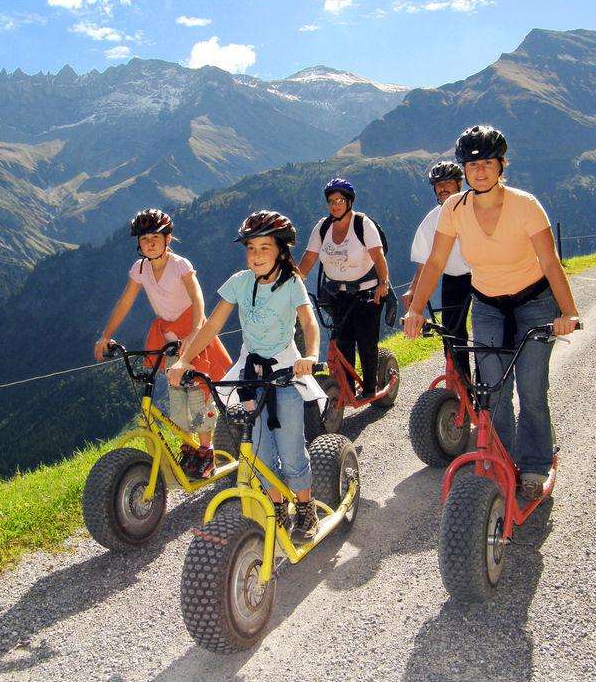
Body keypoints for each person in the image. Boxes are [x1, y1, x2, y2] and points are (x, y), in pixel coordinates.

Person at [402, 126, 581, 500]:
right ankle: (503, 459)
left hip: (534, 302)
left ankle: (534, 464)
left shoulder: (525, 205)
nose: (479, 171)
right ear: (464, 170)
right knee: (492, 390)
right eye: (472, 165)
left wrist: (568, 312)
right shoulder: (454, 209)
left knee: (531, 388)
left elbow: (550, 261)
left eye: (487, 163)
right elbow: (435, 262)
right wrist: (416, 309)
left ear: (501, 165)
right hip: (487, 305)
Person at [167, 211, 324, 538]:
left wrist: (310, 355)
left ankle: (305, 507)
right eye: (251, 248)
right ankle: (277, 505)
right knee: (260, 450)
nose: (256, 255)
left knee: (290, 450)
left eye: (264, 248)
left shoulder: (292, 283)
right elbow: (212, 325)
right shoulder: (240, 282)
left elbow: (309, 322)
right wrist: (184, 360)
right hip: (250, 377)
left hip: (286, 374)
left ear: (281, 250)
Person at [95, 208, 231, 479]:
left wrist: (195, 334)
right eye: (144, 239)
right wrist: (106, 335)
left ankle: (207, 452)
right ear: (139, 243)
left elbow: (198, 300)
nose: (150, 243)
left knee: (199, 394)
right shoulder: (140, 268)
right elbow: (125, 301)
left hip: (193, 335)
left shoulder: (180, 265)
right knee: (177, 397)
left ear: (167, 239)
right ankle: (189, 447)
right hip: (168, 340)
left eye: (155, 237)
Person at [298, 178, 391, 399]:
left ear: (349, 202)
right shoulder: (323, 227)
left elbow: (378, 256)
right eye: (331, 201)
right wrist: (293, 282)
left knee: (366, 341)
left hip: (367, 293)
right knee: (343, 341)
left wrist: (383, 283)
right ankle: (347, 388)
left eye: (340, 200)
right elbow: (309, 258)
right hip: (337, 294)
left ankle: (369, 388)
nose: (335, 205)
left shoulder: (362, 224)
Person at [404, 161, 473, 380]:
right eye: (438, 184)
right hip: (454, 279)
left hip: (483, 276)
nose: (443, 188)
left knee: (487, 334)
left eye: (448, 183)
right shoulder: (432, 220)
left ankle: (486, 387)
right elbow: (424, 262)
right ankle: (462, 385)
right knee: (451, 334)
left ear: (459, 184)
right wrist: (413, 290)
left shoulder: (476, 208)